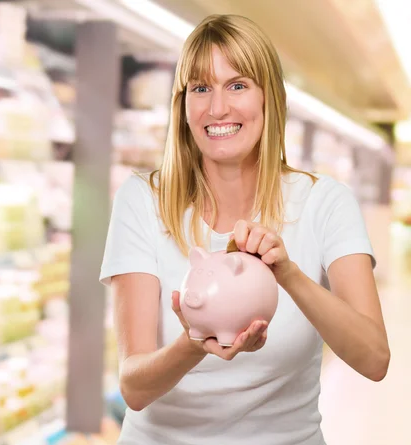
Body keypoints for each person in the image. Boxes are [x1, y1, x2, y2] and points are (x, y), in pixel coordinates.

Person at [99, 14, 390, 445]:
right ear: (183, 106)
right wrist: (193, 343)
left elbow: (374, 358)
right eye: (200, 88)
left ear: (268, 98)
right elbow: (134, 388)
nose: (217, 108)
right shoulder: (143, 200)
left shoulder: (324, 203)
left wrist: (288, 274)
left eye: (237, 85)